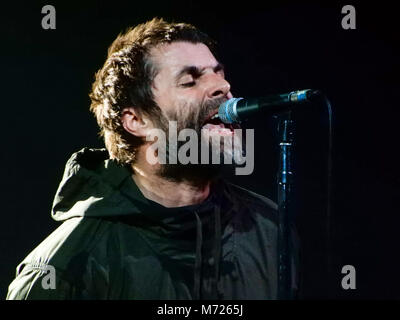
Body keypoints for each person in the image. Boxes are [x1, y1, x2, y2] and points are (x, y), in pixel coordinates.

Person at [7, 18, 298, 300]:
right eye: (190, 81)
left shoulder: (270, 228)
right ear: (136, 120)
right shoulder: (65, 268)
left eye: (219, 73)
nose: (223, 87)